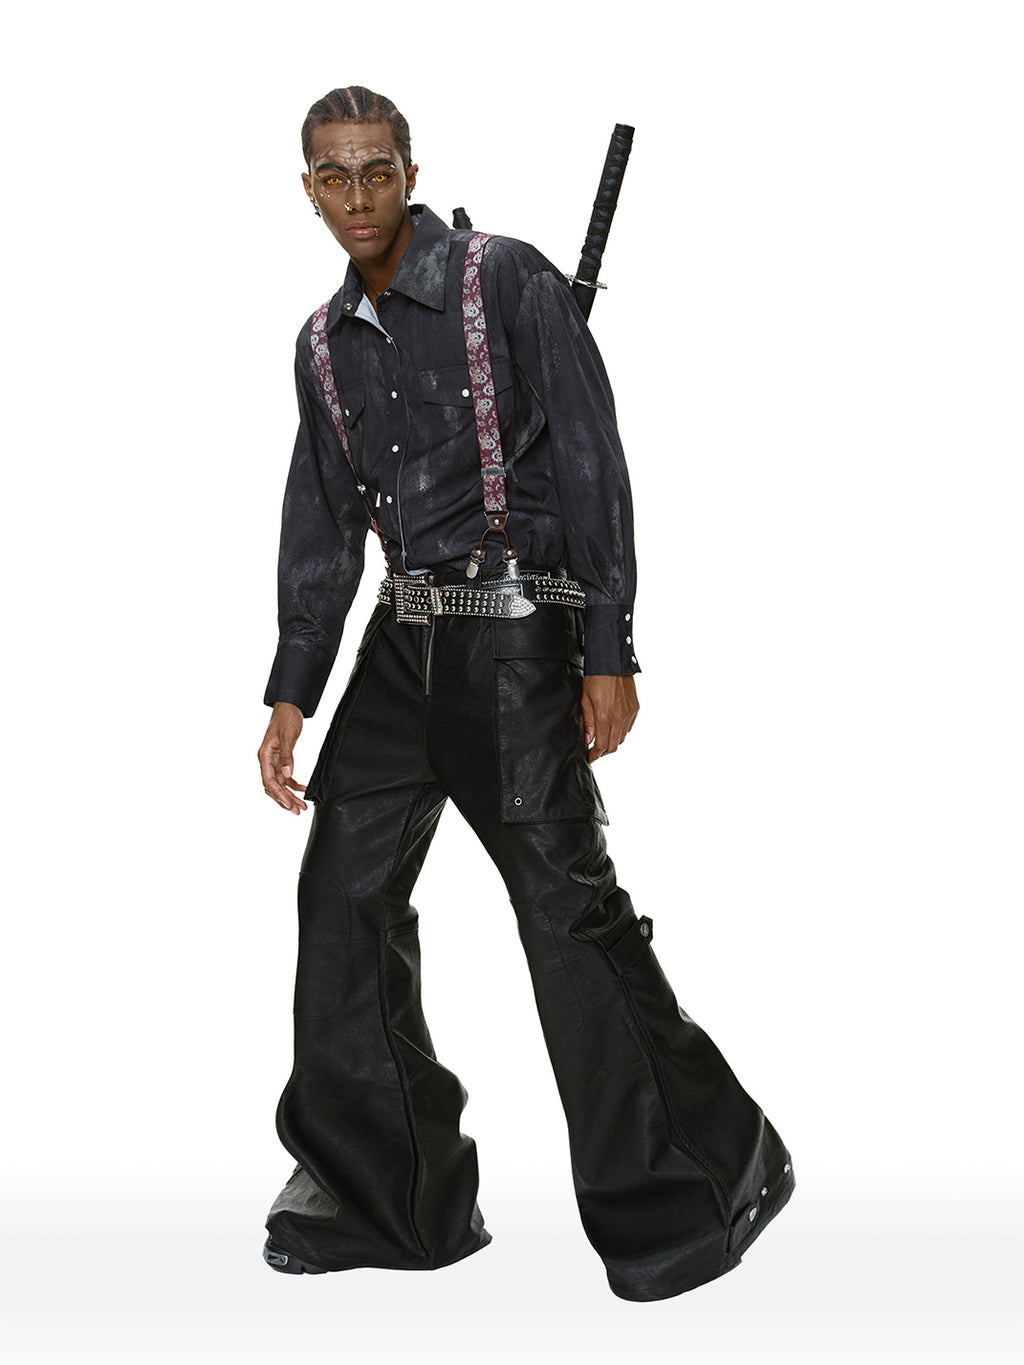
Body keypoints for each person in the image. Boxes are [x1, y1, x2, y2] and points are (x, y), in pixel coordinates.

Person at [257, 85, 795, 1302]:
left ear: (410, 170)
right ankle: (392, 1196)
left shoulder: (504, 278)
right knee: (341, 896)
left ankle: (707, 1174)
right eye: (334, 176)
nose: (358, 195)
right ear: (307, 188)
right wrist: (294, 689)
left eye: (377, 170)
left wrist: (607, 646)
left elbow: (593, 458)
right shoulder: (323, 343)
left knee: (564, 914)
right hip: (401, 641)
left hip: (514, 631)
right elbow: (323, 521)